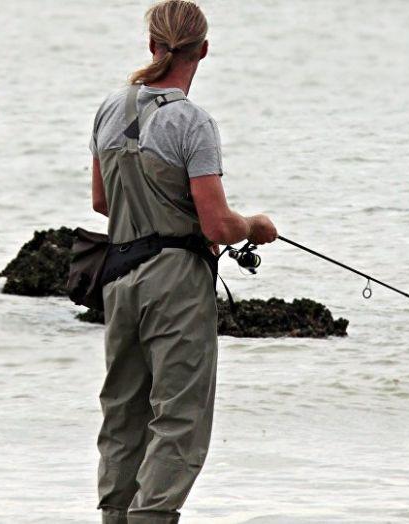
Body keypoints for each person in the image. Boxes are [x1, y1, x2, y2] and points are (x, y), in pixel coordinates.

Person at [88, 1, 277, 522]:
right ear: (204, 50)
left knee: (123, 413)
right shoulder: (192, 122)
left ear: (152, 45)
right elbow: (217, 226)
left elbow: (102, 202)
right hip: (175, 282)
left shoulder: (110, 108)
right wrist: (255, 227)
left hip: (119, 276)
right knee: (180, 418)